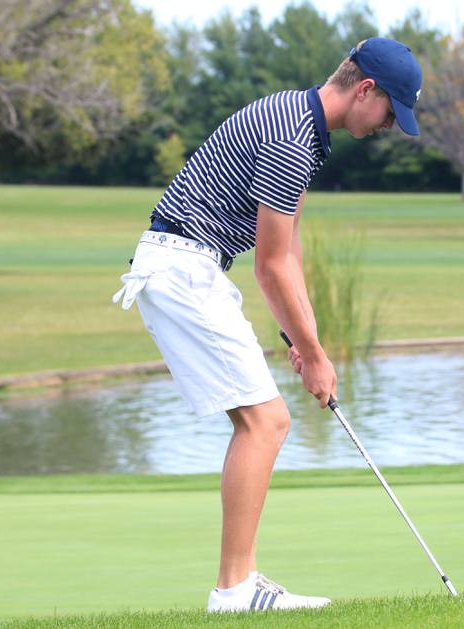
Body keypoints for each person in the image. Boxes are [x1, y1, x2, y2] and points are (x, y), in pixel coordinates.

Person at [113, 37, 423, 612]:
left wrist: (307, 343)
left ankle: (240, 584)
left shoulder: (300, 123)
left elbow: (288, 247)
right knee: (266, 422)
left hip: (185, 266)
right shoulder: (291, 137)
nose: (387, 125)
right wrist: (313, 351)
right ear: (365, 90)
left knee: (263, 421)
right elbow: (269, 264)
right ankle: (234, 590)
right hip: (182, 268)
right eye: (389, 111)